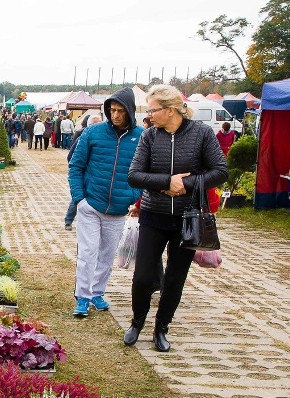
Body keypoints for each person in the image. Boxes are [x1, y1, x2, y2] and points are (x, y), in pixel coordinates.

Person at [124, 85, 228, 351]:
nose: (148, 115)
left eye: (152, 110)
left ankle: (161, 327)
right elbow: (134, 175)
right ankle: (137, 322)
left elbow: (220, 171)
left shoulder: (201, 134)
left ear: (170, 110)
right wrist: (165, 183)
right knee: (143, 277)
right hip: (153, 215)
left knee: (175, 277)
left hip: (187, 219)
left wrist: (189, 183)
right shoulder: (149, 136)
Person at [68, 87, 144, 317]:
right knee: (88, 253)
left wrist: (133, 196)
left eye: (120, 111)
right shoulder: (93, 133)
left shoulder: (141, 137)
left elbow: (145, 171)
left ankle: (97, 292)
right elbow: (75, 165)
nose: (115, 115)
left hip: (119, 209)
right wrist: (79, 199)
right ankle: (82, 296)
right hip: (91, 204)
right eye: (112, 110)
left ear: (129, 111)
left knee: (107, 255)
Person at [64, 115, 102, 229]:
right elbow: (71, 156)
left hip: (97, 176)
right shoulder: (83, 136)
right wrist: (80, 167)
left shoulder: (104, 139)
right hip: (84, 173)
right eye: (95, 124)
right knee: (77, 198)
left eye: (99, 124)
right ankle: (68, 221)